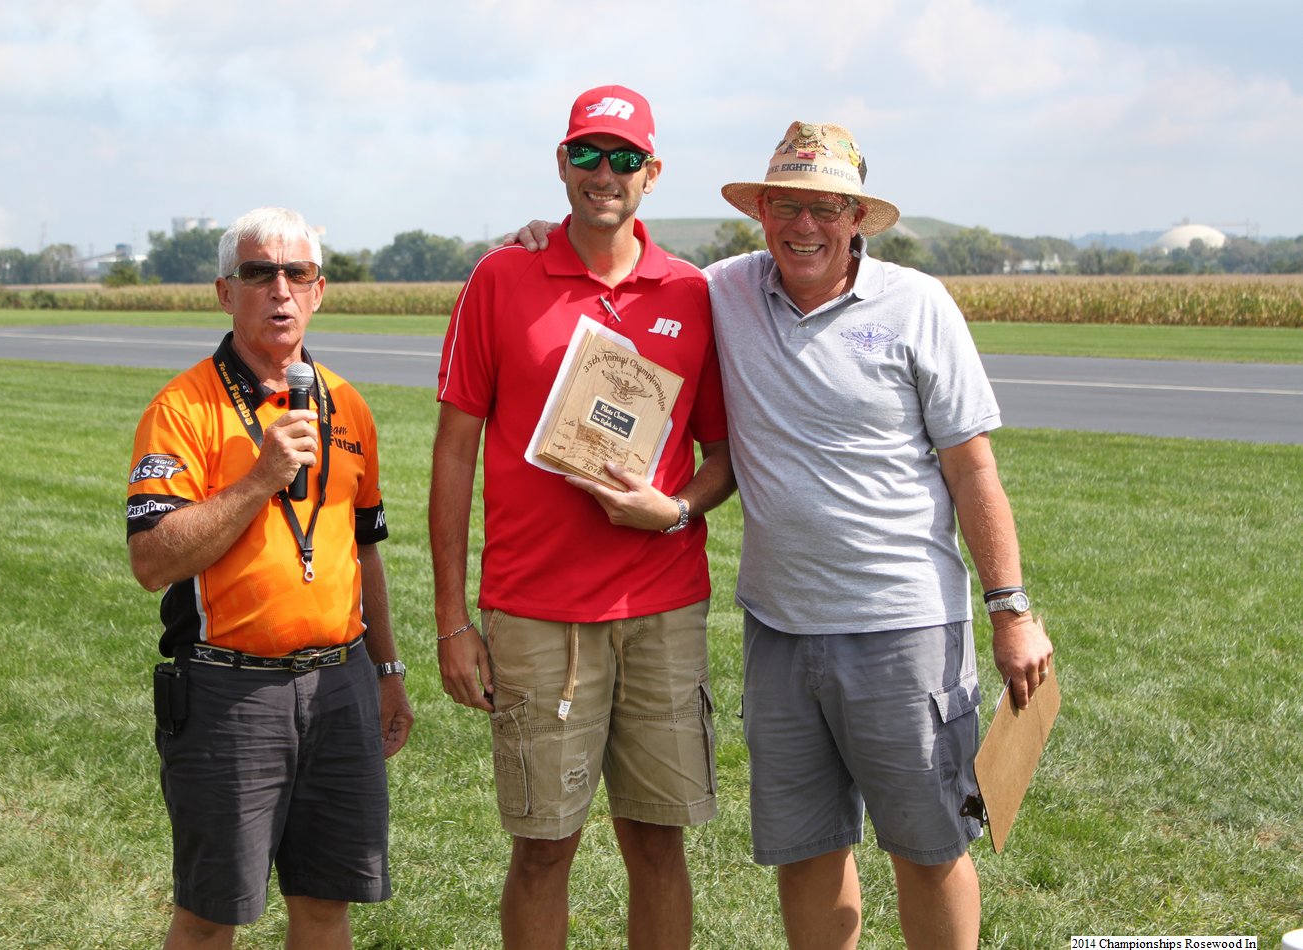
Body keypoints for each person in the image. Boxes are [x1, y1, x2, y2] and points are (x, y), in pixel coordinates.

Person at [514, 121, 1054, 949]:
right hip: (779, 634)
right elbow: (624, 273)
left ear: (857, 218)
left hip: (904, 630)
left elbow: (973, 469)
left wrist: (1010, 611)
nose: (805, 226)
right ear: (760, 212)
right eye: (787, 206)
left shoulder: (917, 305)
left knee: (930, 847)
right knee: (807, 853)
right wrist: (544, 241)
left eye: (826, 208)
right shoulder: (722, 292)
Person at [430, 85, 736, 950]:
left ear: (652, 173)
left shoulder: (693, 291)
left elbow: (723, 457)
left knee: (658, 844)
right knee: (542, 849)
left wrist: (673, 510)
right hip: (535, 613)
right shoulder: (500, 278)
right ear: (563, 164)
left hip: (662, 609)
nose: (607, 173)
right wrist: (452, 620)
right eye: (590, 154)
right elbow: (453, 453)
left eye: (625, 157)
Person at [126, 206, 413, 950]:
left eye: (297, 273)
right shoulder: (182, 409)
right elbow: (152, 561)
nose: (280, 290)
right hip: (229, 691)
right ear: (226, 292)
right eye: (259, 273)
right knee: (209, 914)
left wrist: (386, 670)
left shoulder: (349, 405)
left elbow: (364, 551)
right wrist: (260, 479)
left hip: (341, 685)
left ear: (319, 290)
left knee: (326, 904)